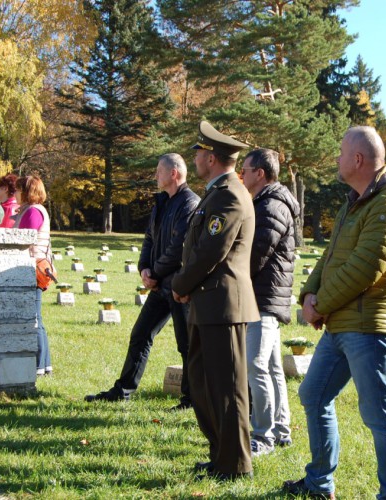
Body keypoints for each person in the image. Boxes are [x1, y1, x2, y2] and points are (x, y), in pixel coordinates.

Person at [283, 126, 386, 499]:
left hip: (371, 328)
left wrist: (321, 304)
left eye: (342, 153)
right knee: (313, 395)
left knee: (379, 415)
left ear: (358, 160)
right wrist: (309, 292)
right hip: (342, 323)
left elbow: (363, 269)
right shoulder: (354, 201)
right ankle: (319, 483)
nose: (337, 159)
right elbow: (331, 256)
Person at [171, 121, 258, 481]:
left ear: (210, 157)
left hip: (223, 305)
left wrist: (180, 283)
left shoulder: (230, 195)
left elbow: (211, 251)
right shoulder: (215, 192)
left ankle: (236, 465)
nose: (195, 157)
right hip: (208, 304)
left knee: (228, 389)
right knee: (203, 381)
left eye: (198, 152)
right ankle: (220, 455)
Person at [85, 154, 199, 407]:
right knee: (140, 334)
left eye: (159, 171)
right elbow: (150, 238)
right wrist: (144, 268)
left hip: (179, 285)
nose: (155, 176)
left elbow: (179, 246)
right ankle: (123, 390)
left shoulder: (190, 203)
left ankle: (191, 398)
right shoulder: (161, 202)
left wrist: (155, 273)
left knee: (187, 344)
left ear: (174, 173)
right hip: (159, 285)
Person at [239, 148, 298, 457]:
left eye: (245, 170)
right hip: (266, 295)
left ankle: (262, 436)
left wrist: (232, 275)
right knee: (273, 366)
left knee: (256, 366)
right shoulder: (267, 202)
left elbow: (255, 254)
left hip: (263, 296)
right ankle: (281, 429)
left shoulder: (271, 205)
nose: (242, 175)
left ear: (259, 173)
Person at [14, 175, 54, 376]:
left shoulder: (32, 211)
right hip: (36, 268)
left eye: (18, 189)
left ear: (27, 191)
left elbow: (22, 239)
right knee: (37, 317)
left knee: (35, 319)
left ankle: (39, 364)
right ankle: (45, 365)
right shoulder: (32, 210)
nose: (15, 194)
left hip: (32, 269)